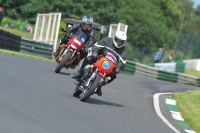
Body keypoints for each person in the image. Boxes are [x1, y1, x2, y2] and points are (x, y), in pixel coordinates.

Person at [70, 31, 127, 96]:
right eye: (118, 40)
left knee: (113, 75)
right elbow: (96, 45)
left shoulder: (123, 49)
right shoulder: (107, 40)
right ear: (115, 37)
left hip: (110, 65)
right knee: (88, 59)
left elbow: (123, 61)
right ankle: (79, 73)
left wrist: (118, 68)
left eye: (121, 42)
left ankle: (99, 86)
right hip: (99, 58)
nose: (118, 43)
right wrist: (95, 52)